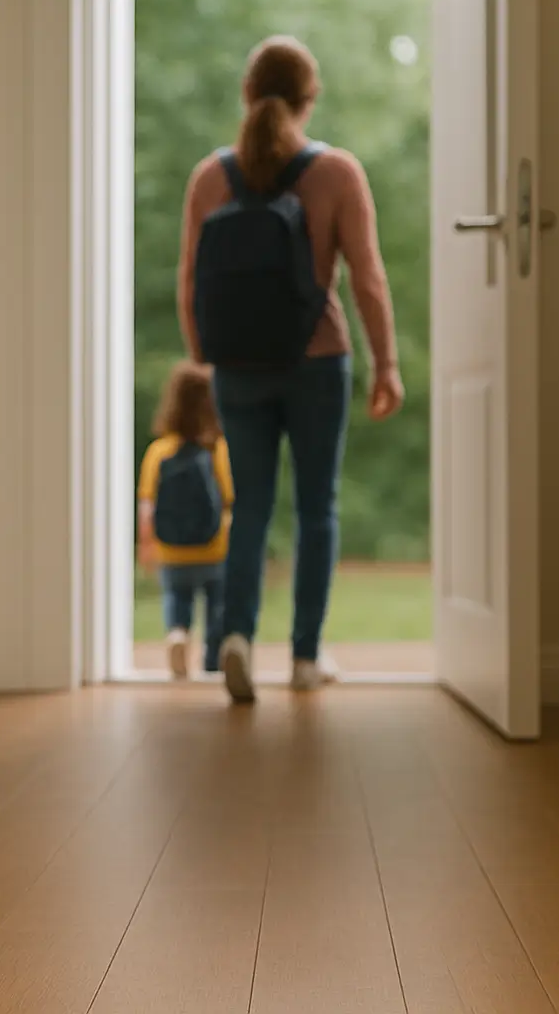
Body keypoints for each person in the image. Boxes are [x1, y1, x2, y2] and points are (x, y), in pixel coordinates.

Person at [176, 35, 403, 703]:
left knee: (249, 507)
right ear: (311, 98)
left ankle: (237, 637)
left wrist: (205, 354)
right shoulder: (336, 173)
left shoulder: (210, 178)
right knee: (315, 508)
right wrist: (385, 364)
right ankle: (305, 657)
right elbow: (368, 280)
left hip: (238, 366)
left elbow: (188, 280)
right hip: (317, 361)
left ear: (247, 94)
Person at [137, 361, 235, 680]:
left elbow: (147, 505)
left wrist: (146, 544)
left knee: (177, 597)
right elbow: (228, 499)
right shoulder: (216, 449)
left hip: (172, 550)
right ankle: (212, 663)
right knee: (217, 606)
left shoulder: (159, 451)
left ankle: (178, 633)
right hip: (214, 547)